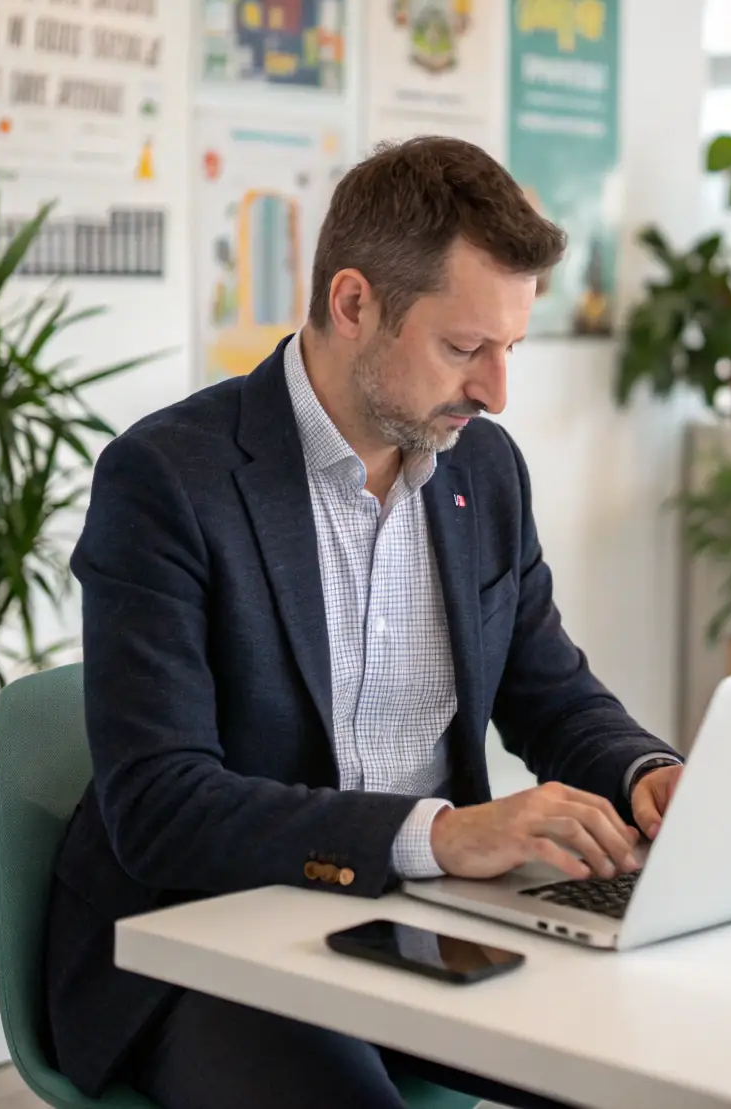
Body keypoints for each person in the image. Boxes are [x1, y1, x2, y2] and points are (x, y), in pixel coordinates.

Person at [45, 136, 684, 1109]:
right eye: (465, 348)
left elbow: (548, 691)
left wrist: (650, 775)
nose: (495, 392)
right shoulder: (169, 481)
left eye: (511, 348)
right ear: (353, 304)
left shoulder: (483, 471)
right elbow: (162, 808)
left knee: (659, 1070)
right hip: (210, 942)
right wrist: (439, 835)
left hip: (431, 925)